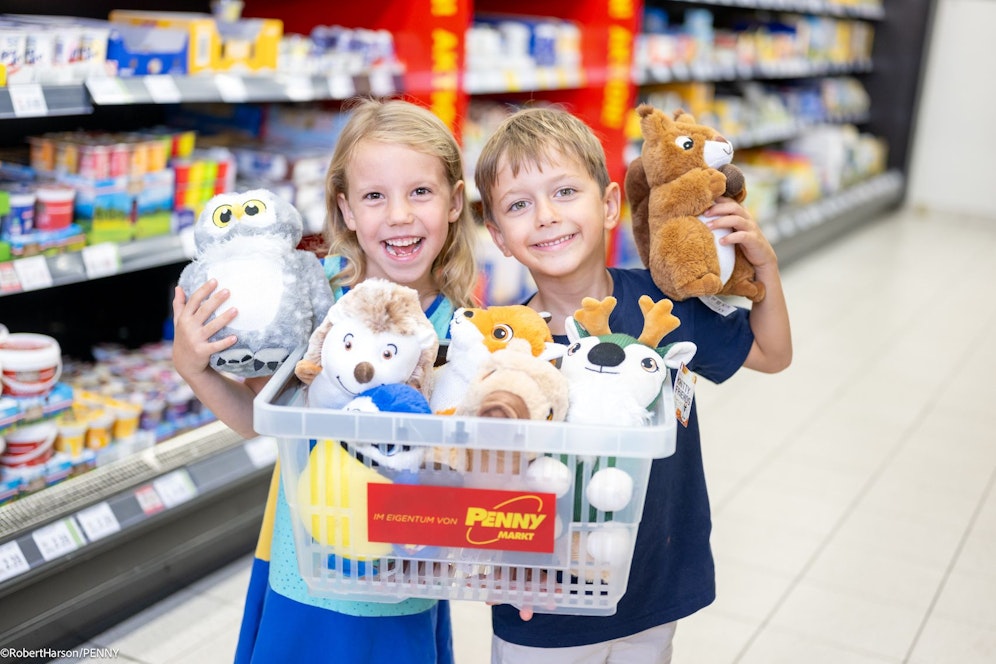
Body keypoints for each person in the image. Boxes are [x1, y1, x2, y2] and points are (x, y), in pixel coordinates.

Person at [474, 106, 792, 663]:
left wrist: (763, 266)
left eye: (565, 191)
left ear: (610, 204)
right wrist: (501, 564)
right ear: (499, 236)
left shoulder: (665, 304)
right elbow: (483, 480)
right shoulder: (504, 346)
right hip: (543, 604)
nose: (546, 216)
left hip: (652, 585)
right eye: (519, 205)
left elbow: (772, 354)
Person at [172, 97, 478, 664]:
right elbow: (259, 420)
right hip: (303, 570)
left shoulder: (462, 335)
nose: (399, 215)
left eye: (421, 192)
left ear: (455, 201)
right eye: (374, 196)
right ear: (346, 210)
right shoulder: (315, 309)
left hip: (400, 585)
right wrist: (192, 366)